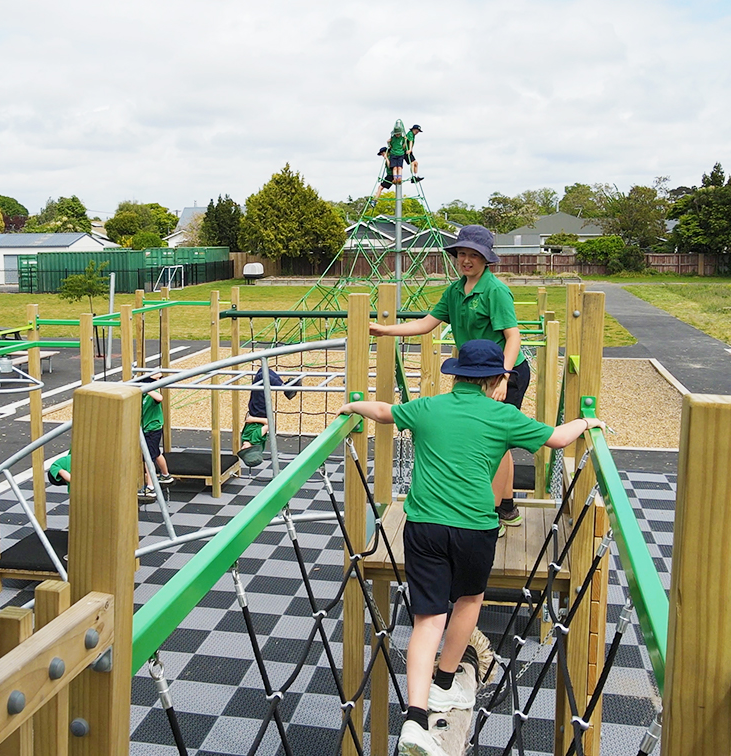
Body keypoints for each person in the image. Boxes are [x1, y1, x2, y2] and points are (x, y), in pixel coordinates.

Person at [338, 340, 604, 756]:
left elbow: (385, 413)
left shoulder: (428, 407)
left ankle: (414, 716)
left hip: (423, 526)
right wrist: (588, 423)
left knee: (427, 620)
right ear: (497, 380)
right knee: (469, 600)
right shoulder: (504, 415)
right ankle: (445, 681)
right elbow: (556, 439)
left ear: (455, 374)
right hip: (474, 529)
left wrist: (355, 407)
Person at [369, 224, 529, 534]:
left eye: (473, 255)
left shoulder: (494, 290)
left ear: (486, 260)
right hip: (478, 372)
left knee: (495, 440)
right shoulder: (456, 291)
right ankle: (507, 507)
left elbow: (513, 337)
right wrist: (386, 330)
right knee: (498, 440)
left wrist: (504, 378)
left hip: (503, 371)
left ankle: (494, 513)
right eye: (462, 254)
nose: (466, 260)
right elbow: (427, 323)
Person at [237, 366, 298, 467]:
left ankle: (285, 386)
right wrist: (252, 419)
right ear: (252, 448)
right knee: (262, 377)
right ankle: (285, 388)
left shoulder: (247, 439)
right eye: (245, 449)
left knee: (262, 371)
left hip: (255, 410)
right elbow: (269, 423)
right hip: (259, 411)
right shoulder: (255, 439)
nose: (242, 447)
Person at [141, 373, 175, 498]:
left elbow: (160, 398)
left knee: (148, 457)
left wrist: (147, 387)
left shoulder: (151, 393)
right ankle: (165, 475)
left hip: (153, 428)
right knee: (155, 453)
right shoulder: (140, 395)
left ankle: (150, 487)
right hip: (145, 429)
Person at [387, 120, 409, 184]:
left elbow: (404, 147)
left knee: (399, 167)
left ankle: (399, 178)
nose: (398, 135)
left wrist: (405, 141)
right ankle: (395, 178)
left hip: (400, 154)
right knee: (394, 167)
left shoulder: (402, 138)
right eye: (397, 133)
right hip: (393, 153)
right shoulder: (392, 138)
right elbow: (390, 146)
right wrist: (388, 142)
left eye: (399, 133)